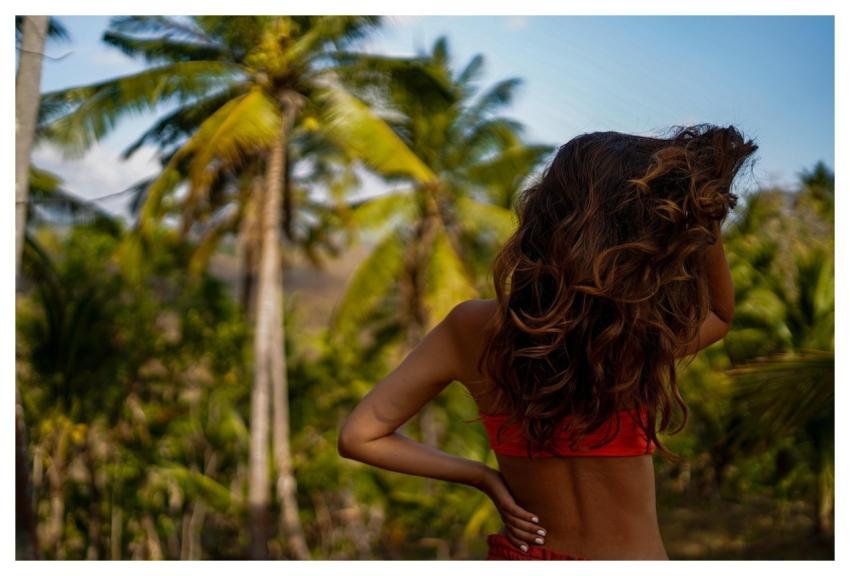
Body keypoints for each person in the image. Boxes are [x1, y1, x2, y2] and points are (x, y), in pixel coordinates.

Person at [337, 123, 759, 560]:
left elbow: (359, 436)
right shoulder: (628, 335)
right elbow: (718, 315)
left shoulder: (470, 328)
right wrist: (702, 219)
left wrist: (483, 476)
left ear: (544, 215)